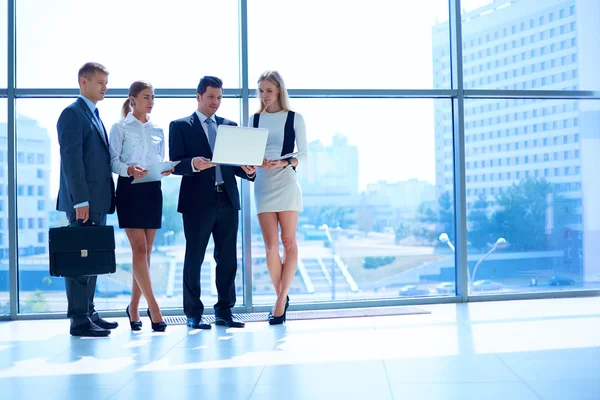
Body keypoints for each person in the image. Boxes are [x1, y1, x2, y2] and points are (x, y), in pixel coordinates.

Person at [169, 76, 257, 329]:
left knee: (228, 258)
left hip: (227, 199)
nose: (215, 102)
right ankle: (193, 313)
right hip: (197, 202)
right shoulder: (180, 126)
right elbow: (175, 164)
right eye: (210, 97)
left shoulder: (230, 126)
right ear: (198, 96)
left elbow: (236, 166)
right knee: (194, 257)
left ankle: (224, 311)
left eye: (219, 97)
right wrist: (193, 164)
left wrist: (249, 170)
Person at [56, 62, 118, 337]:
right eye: (100, 82)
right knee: (80, 262)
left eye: (106, 82)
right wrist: (80, 200)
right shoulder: (72, 114)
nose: (105, 87)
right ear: (84, 82)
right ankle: (79, 320)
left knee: (90, 259)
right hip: (84, 203)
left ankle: (89, 312)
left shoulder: (92, 114)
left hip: (96, 201)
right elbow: (71, 161)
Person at [109, 81, 170, 332]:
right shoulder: (119, 127)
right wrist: (128, 169)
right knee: (139, 249)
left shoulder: (158, 129)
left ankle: (133, 307)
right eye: (146, 97)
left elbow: (159, 159)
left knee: (147, 253)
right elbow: (112, 162)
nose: (151, 102)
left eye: (153, 97)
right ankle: (153, 308)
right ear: (132, 99)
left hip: (153, 190)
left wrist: (165, 169)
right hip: (130, 189)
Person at [250, 70, 307, 324]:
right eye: (261, 91)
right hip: (263, 183)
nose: (264, 96)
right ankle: (282, 299)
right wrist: (251, 164)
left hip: (285, 180)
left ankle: (279, 303)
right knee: (271, 247)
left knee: (288, 241)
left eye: (269, 91)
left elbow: (304, 154)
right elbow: (247, 155)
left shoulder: (294, 118)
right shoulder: (254, 119)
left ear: (279, 91)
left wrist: (283, 163)